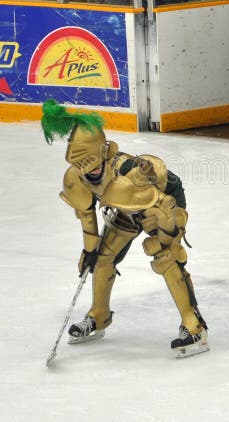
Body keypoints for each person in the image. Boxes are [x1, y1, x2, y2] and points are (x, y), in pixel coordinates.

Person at [40, 99, 210, 358]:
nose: (91, 170)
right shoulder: (76, 178)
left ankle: (194, 326)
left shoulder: (127, 169)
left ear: (102, 151)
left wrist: (171, 231)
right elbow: (87, 217)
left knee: (165, 256)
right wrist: (90, 252)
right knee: (101, 259)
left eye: (94, 162)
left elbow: (164, 200)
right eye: (83, 164)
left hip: (161, 206)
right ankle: (98, 316)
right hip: (126, 211)